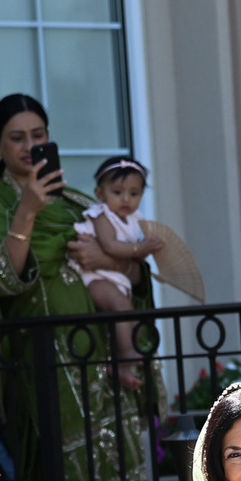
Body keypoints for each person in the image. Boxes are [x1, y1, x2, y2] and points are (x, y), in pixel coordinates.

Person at [0, 94, 149, 481]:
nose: (30, 146)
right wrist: (25, 211)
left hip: (98, 364)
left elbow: (129, 272)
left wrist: (106, 255)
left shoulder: (74, 204)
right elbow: (0, 279)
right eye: (18, 138)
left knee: (116, 474)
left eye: (38, 135)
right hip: (43, 369)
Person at [80, 155, 160, 389]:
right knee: (121, 307)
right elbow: (110, 246)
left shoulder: (135, 219)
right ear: (100, 193)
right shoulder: (101, 215)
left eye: (134, 194)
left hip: (115, 277)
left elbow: (132, 253)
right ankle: (125, 359)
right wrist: (139, 248)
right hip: (95, 276)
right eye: (117, 192)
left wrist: (148, 249)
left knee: (131, 316)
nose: (126, 199)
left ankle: (120, 363)